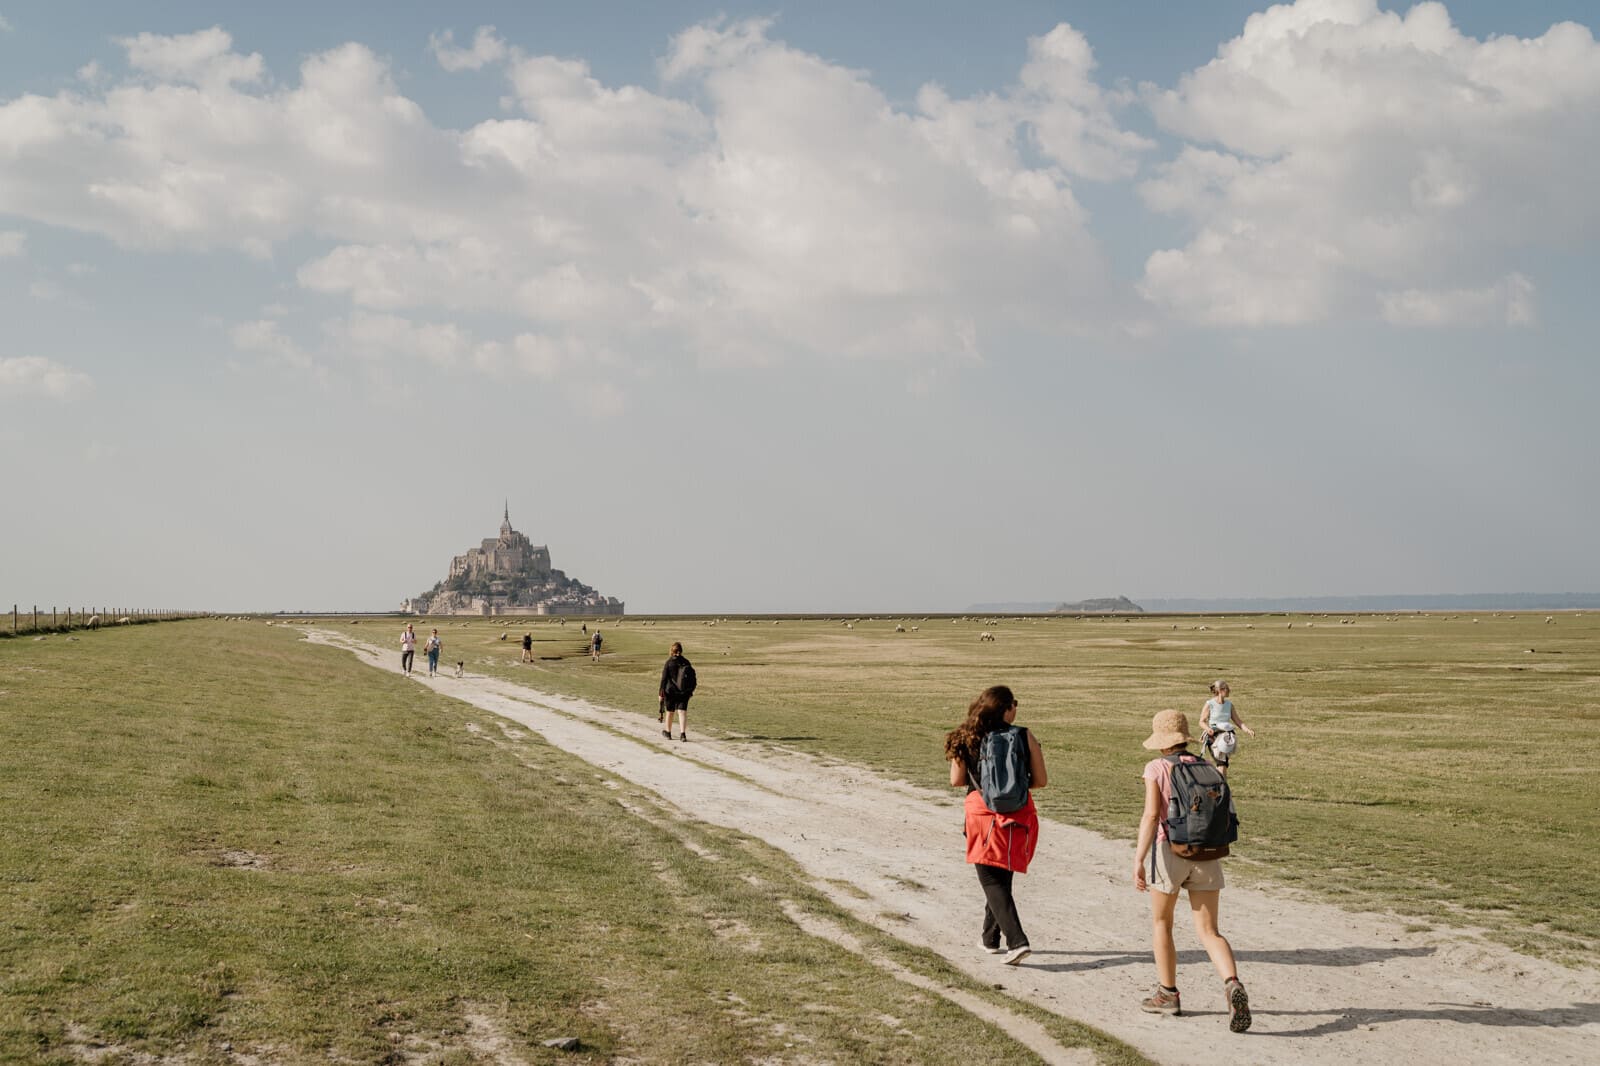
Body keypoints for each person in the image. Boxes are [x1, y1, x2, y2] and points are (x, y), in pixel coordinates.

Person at [1133, 708, 1251, 1032]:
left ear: (1160, 742)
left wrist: (1139, 858)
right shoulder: (1207, 765)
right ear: (1184, 738)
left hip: (1169, 851)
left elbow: (1150, 816)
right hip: (1207, 852)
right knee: (1210, 931)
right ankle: (1231, 983)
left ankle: (1167, 994)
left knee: (1162, 922)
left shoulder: (1156, 768)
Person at [943, 685, 1048, 966]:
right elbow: (1040, 781)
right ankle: (990, 938)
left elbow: (956, 780)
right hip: (1017, 812)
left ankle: (1017, 941)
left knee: (991, 880)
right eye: (1014, 703)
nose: (1016, 708)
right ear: (1005, 708)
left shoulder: (966, 737)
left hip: (980, 814)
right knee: (1001, 876)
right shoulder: (1024, 735)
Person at [1200, 680, 1257, 778]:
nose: (1229, 690)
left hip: (1226, 738)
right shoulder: (1210, 704)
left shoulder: (1229, 705)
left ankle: (1219, 789)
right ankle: (1223, 790)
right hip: (1214, 736)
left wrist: (1247, 730)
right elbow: (1201, 721)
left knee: (1222, 765)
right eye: (1227, 688)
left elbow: (1238, 721)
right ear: (1220, 690)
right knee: (1222, 764)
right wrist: (1208, 729)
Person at [658, 642, 695, 741]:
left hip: (670, 692)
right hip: (684, 692)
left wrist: (660, 694)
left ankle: (668, 732)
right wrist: (690, 690)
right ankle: (683, 734)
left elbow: (664, 679)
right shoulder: (686, 662)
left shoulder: (669, 662)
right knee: (682, 712)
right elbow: (692, 677)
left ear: (671, 651)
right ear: (681, 651)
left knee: (670, 712)